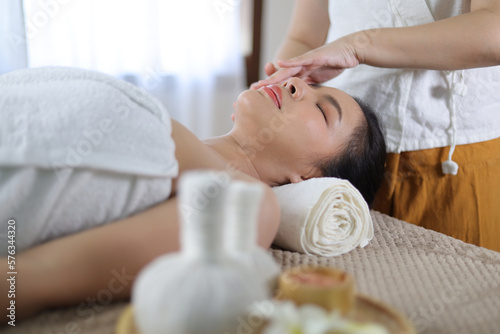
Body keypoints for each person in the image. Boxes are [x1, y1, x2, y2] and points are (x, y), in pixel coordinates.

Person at [0, 67, 385, 322]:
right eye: (308, 83)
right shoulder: (182, 147)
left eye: (322, 111)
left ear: (308, 179)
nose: (295, 83)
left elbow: (22, 285)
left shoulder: (247, 207)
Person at [254, 0, 500, 252]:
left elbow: (494, 30)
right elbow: (304, 37)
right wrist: (274, 95)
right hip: (337, 167)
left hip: (455, 166)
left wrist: (358, 46)